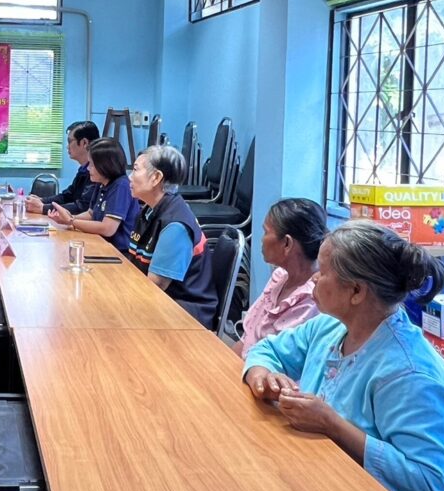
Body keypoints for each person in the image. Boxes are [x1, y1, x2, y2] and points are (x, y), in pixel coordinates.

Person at [244, 220, 444, 491]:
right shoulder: (331, 326)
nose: (313, 278)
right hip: (332, 483)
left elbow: (431, 485)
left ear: (356, 291)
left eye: (323, 271)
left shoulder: (412, 375)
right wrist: (262, 374)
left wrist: (333, 426)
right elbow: (268, 349)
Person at [126, 145, 215, 328]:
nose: (129, 177)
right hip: (157, 304)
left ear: (156, 178)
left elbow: (154, 288)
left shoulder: (176, 226)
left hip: (183, 314)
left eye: (135, 169)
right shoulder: (149, 210)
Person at [233, 198, 327, 358]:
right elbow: (247, 339)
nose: (262, 239)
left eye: (266, 232)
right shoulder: (280, 277)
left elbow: (275, 361)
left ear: (287, 244)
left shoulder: (312, 300)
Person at [48, 137, 138, 255]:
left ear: (105, 165)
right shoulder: (101, 183)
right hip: (101, 244)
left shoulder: (121, 186)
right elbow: (91, 214)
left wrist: (71, 221)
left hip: (120, 253)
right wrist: (68, 218)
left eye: (91, 164)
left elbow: (108, 228)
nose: (88, 168)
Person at [26, 120, 99, 214]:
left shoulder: (98, 171)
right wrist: (42, 201)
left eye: (70, 141)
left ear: (84, 143)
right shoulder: (83, 169)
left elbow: (83, 207)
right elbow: (68, 196)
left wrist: (43, 208)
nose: (67, 147)